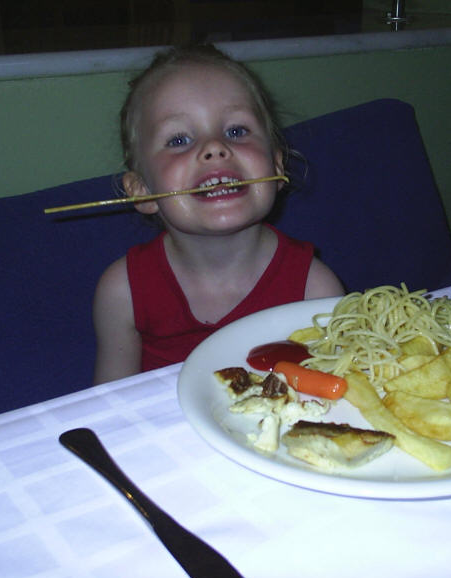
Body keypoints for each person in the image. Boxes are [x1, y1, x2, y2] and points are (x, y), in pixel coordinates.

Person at [92, 44, 343, 384]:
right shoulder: (122, 292)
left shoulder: (316, 289)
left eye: (236, 131)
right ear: (141, 190)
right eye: (179, 139)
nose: (214, 147)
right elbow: (109, 404)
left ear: (277, 167)